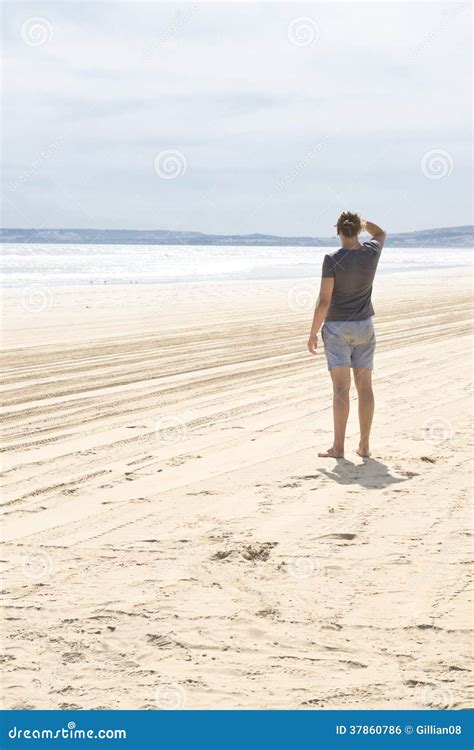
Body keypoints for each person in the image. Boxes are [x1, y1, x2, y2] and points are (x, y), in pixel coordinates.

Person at [307, 211, 386, 458]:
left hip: (337, 328)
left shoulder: (332, 259)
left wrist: (311, 333)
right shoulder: (371, 252)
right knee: (365, 387)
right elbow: (381, 232)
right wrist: (364, 224)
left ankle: (338, 447)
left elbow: (323, 302)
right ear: (358, 230)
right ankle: (364, 446)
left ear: (338, 231)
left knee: (341, 389)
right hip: (364, 326)